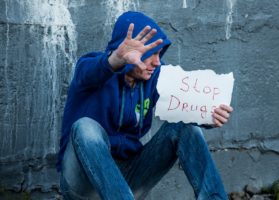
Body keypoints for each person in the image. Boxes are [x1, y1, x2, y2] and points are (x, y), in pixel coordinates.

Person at [56, 11, 233, 200]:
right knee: (85, 127)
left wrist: (209, 116)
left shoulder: (156, 78)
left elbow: (187, 106)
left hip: (129, 179)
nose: (157, 62)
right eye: (150, 54)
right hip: (83, 184)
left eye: (159, 53)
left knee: (184, 126)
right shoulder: (91, 68)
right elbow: (90, 72)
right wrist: (116, 59)